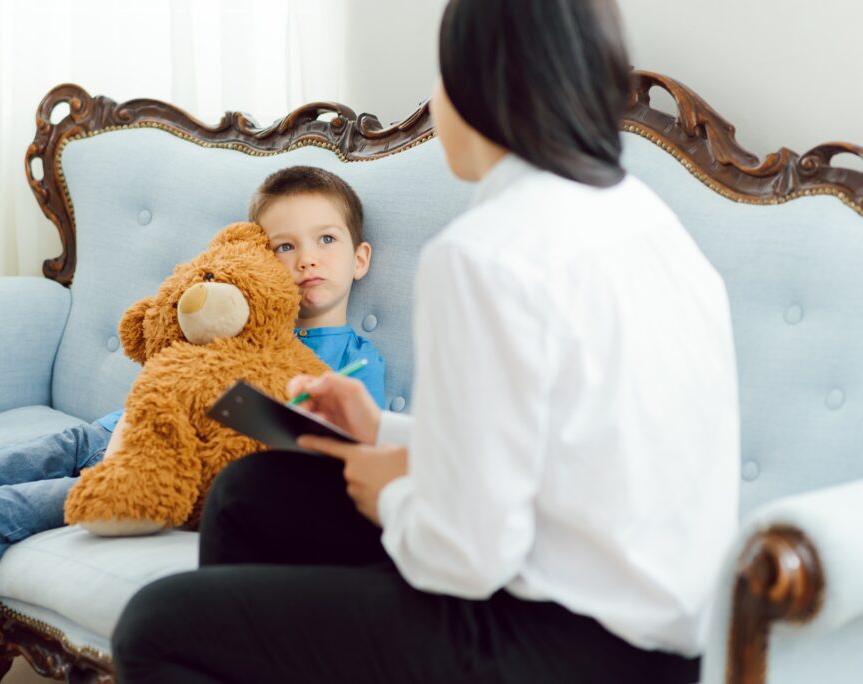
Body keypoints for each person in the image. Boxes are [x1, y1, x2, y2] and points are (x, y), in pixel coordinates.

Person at [109, 0, 740, 682]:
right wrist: (381, 430)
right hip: (663, 640)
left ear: (480, 87)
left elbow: (466, 557)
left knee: (154, 626)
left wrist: (393, 497)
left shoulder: (485, 251)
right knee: (248, 494)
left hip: (559, 644)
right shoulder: (648, 224)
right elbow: (544, 448)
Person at [0, 165, 384, 684]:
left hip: (143, 468)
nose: (306, 259)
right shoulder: (231, 310)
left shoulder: (355, 369)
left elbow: (324, 458)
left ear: (360, 258)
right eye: (284, 246)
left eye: (326, 240)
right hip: (101, 430)